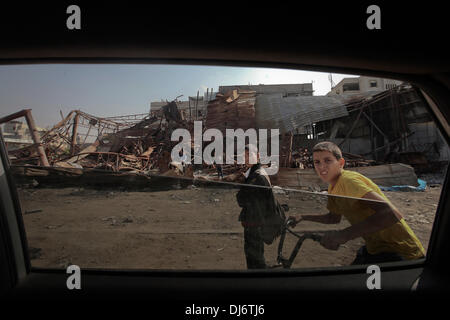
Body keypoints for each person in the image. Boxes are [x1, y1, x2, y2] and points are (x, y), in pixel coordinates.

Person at [289, 141, 425, 264]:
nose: (321, 166)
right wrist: (303, 217)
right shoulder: (333, 187)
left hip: (400, 253)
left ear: (341, 163)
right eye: (317, 162)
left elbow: (391, 214)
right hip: (376, 249)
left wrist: (344, 235)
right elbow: (333, 218)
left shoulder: (348, 181)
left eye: (327, 160)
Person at [236, 144, 285, 269]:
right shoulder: (256, 172)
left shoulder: (257, 176)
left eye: (249, 155)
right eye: (244, 156)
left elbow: (241, 200)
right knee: (255, 256)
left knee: (254, 258)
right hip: (255, 221)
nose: (246, 158)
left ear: (257, 156)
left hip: (255, 224)